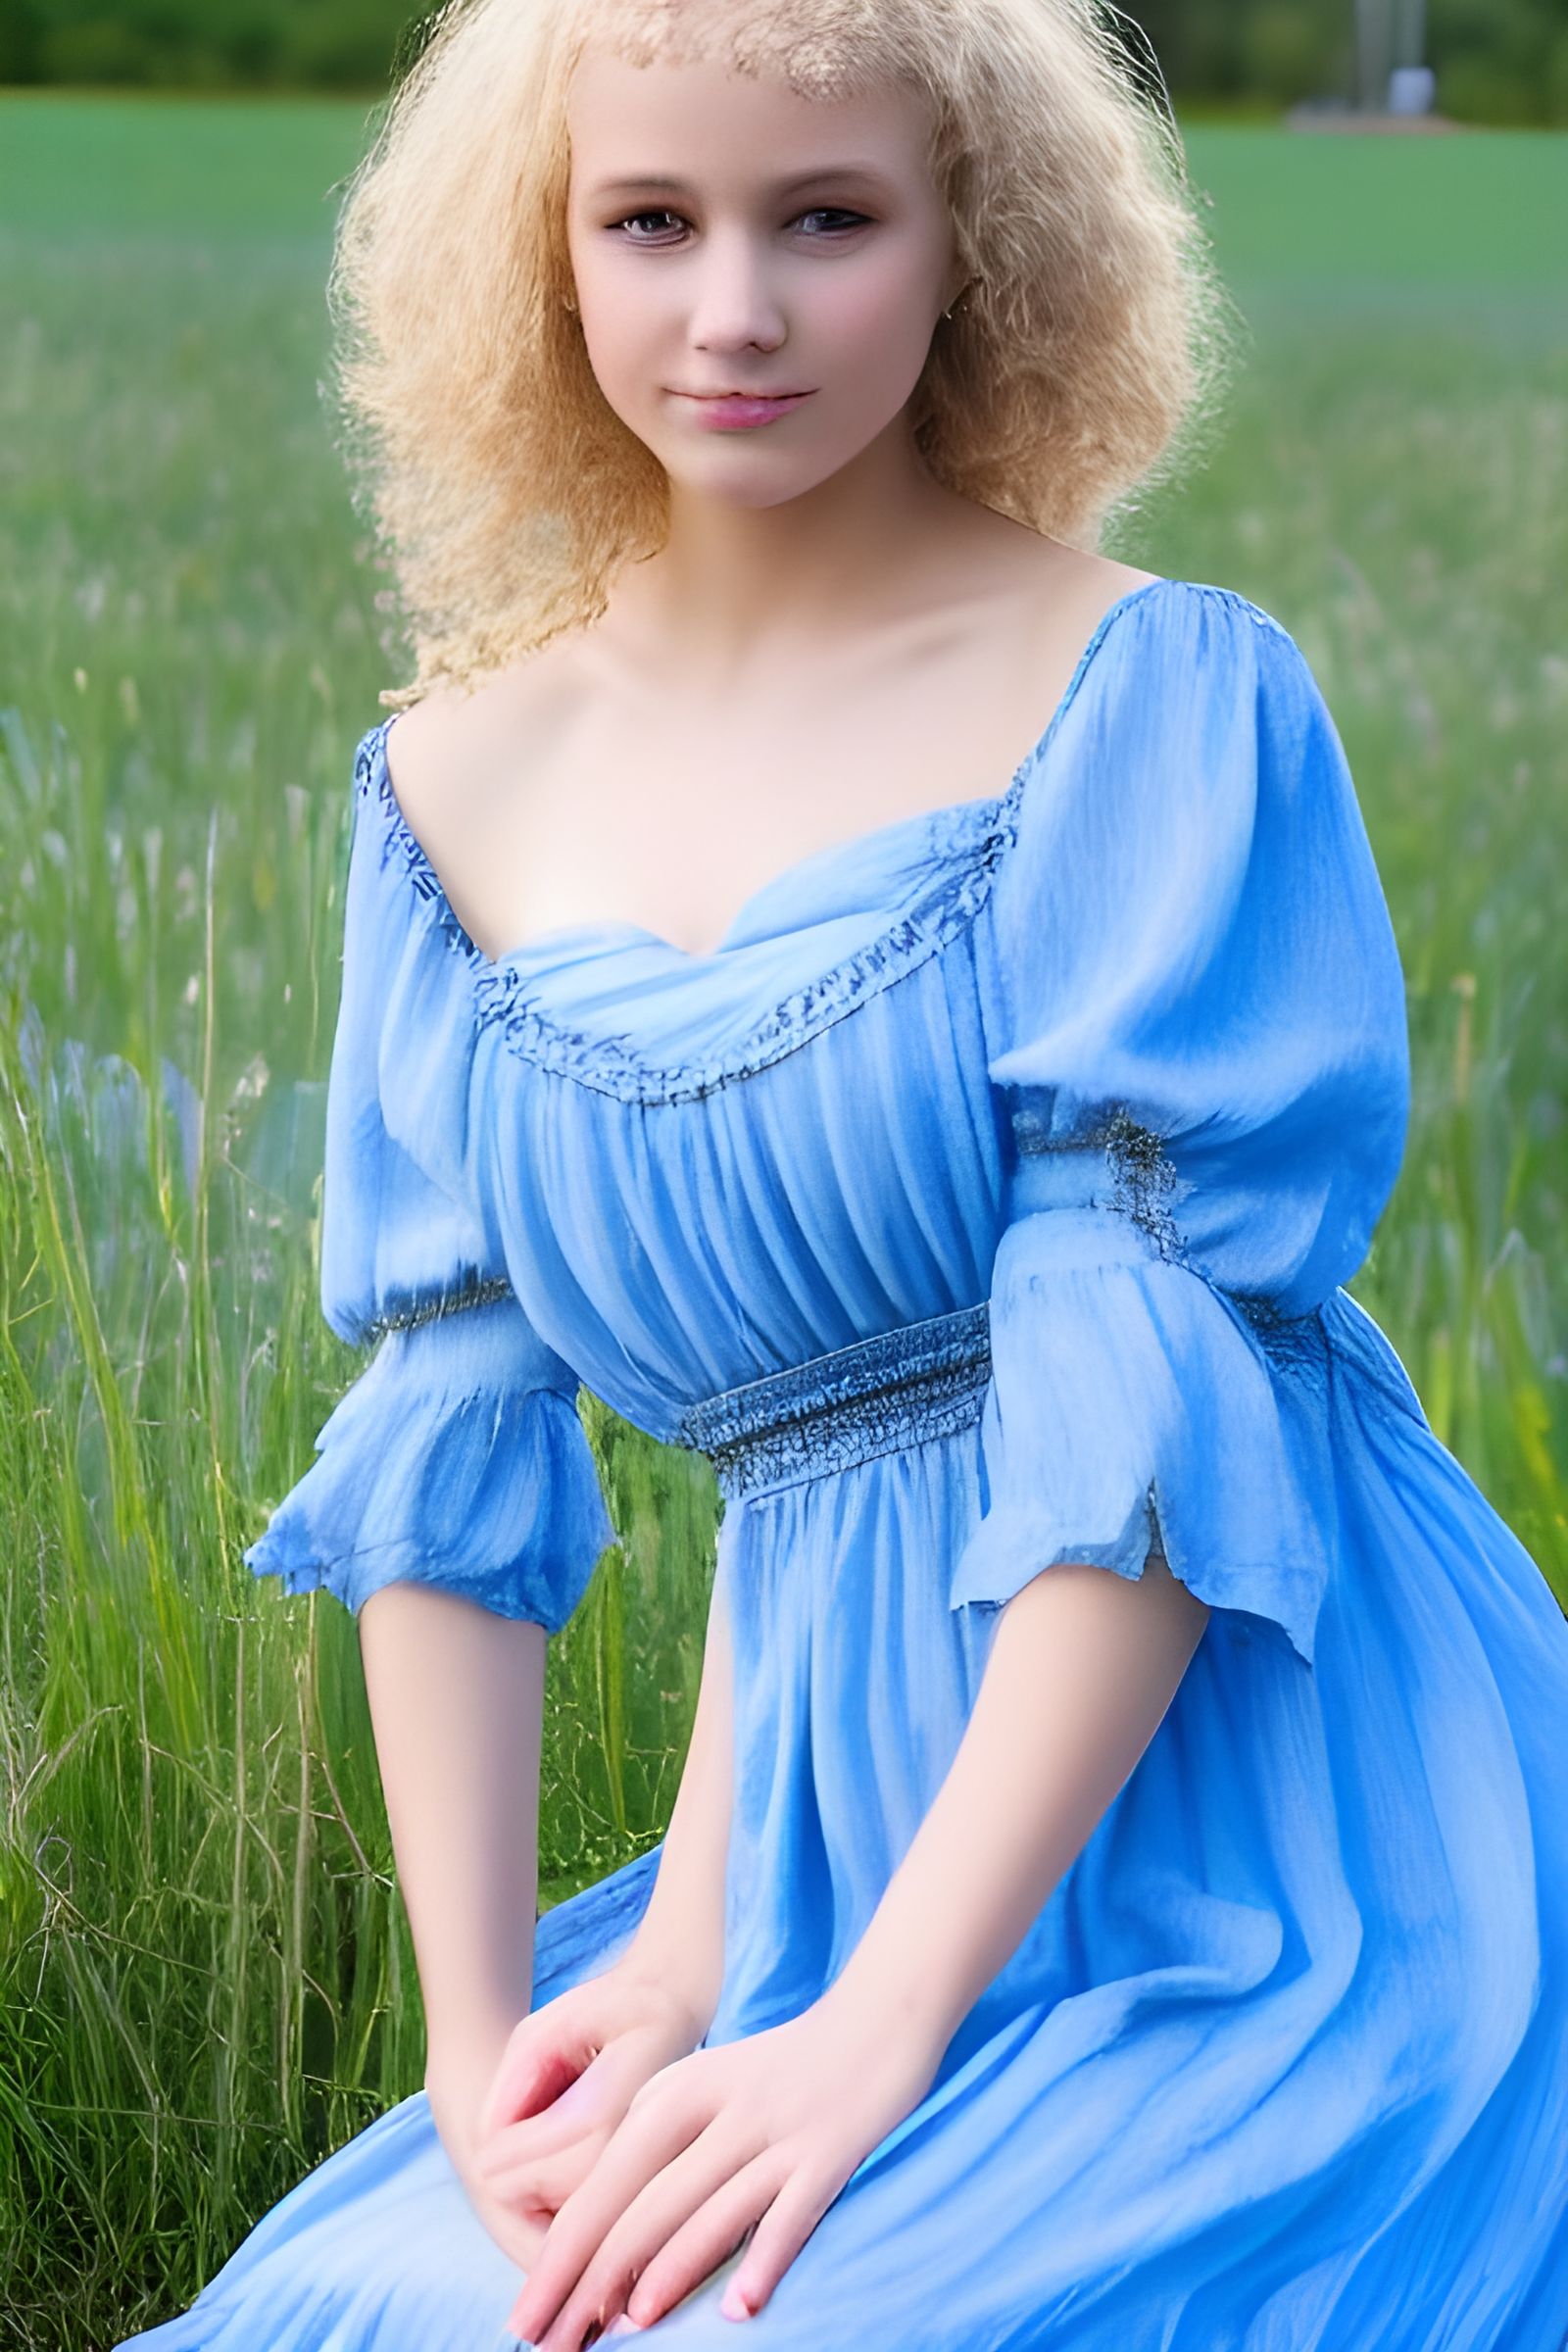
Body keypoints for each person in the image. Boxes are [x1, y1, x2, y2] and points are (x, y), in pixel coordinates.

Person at [116, 0, 1568, 2345]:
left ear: (968, 240)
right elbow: (461, 1451)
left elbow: (1139, 1432)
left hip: (1266, 1820)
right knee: (384, 2307)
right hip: (799, 1862)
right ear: (542, 254)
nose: (733, 311)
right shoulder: (447, 794)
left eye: (823, 219)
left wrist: (879, 2034)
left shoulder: (1146, 693)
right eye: (648, 221)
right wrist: (491, 2051)